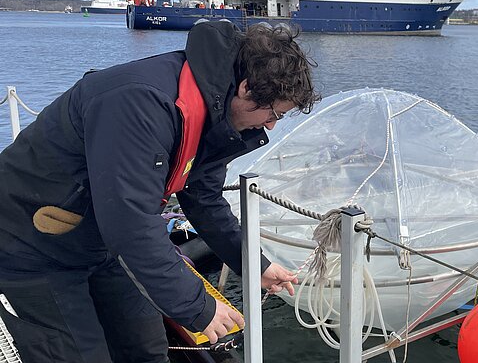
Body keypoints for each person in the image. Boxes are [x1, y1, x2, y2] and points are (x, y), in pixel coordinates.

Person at [0, 20, 321, 362]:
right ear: (245, 88)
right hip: (32, 245)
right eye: (273, 113)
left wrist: (255, 264)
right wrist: (197, 306)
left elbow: (204, 199)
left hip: (101, 242)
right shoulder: (140, 103)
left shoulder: (213, 111)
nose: (271, 125)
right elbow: (130, 222)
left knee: (147, 349)